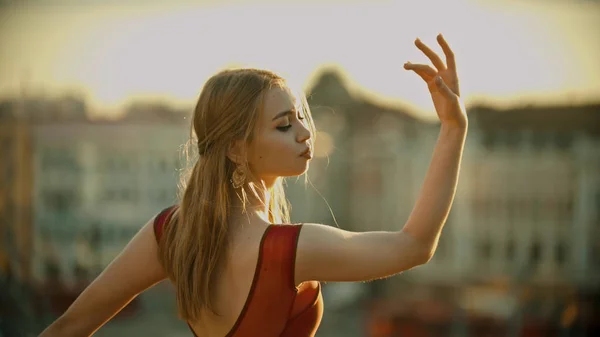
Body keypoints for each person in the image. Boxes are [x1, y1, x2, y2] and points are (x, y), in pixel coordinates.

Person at [39, 33, 467, 337]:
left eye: (301, 116)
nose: (305, 133)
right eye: (284, 125)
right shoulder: (289, 250)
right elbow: (415, 246)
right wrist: (452, 127)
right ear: (236, 149)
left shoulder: (170, 232)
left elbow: (68, 327)